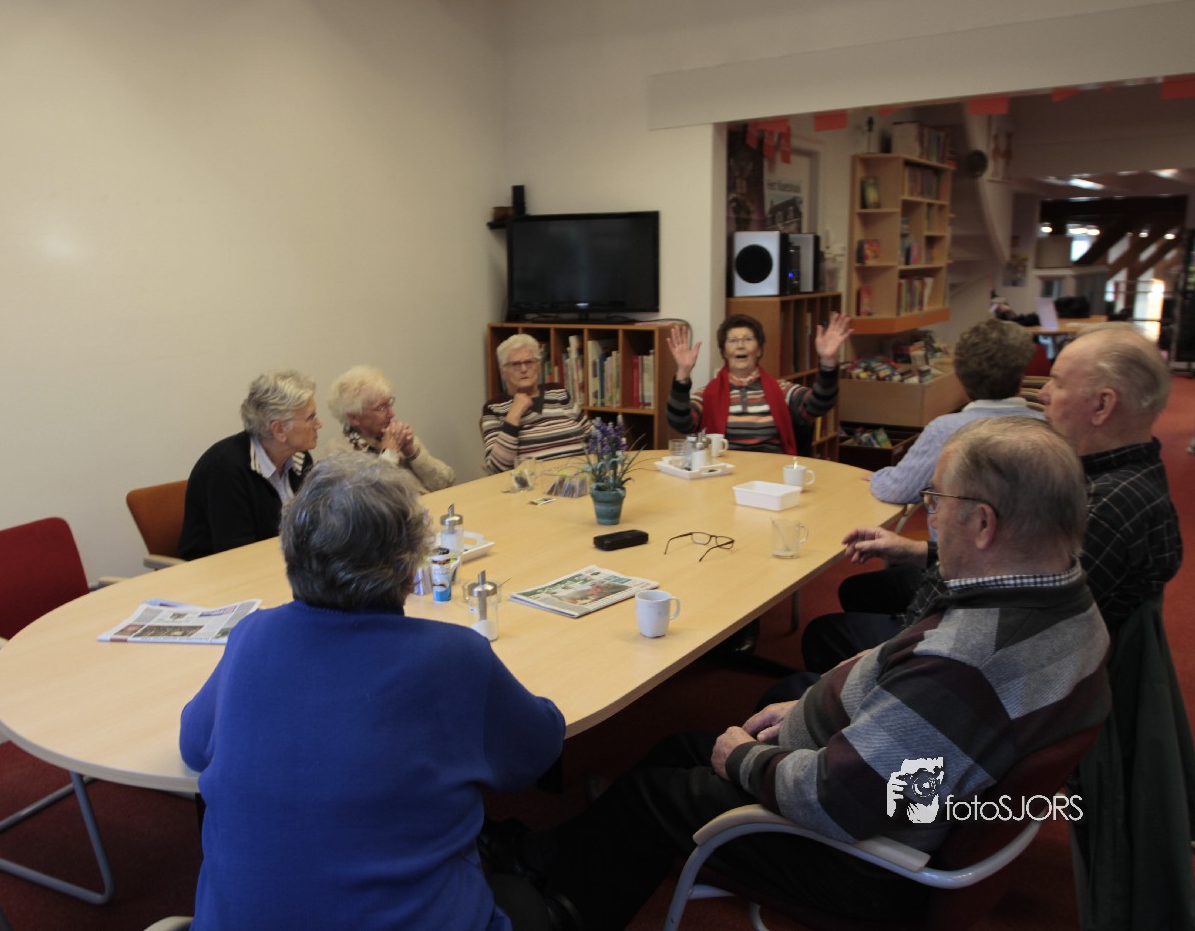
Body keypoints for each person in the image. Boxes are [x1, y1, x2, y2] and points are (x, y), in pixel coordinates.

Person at [502, 418, 1110, 929]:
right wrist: (815, 706)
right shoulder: (1069, 606)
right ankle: (552, 850)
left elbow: (834, 800)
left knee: (650, 797)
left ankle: (561, 911)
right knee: (680, 747)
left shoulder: (964, 665)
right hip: (891, 790)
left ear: (982, 524)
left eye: (937, 503)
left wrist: (743, 760)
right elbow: (914, 732)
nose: (931, 520)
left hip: (862, 857)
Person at [180, 454, 566, 930]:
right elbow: (535, 753)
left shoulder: (251, 636)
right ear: (408, 569)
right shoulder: (455, 655)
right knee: (539, 887)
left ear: (291, 553)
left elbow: (193, 745)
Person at [804, 324, 1182, 672]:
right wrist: (916, 551)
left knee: (823, 635)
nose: (1043, 393)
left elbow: (1008, 635)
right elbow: (1013, 569)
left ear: (1102, 405)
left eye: (1058, 382)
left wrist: (881, 660)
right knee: (859, 594)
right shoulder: (1110, 479)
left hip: (966, 664)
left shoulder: (1104, 508)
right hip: (970, 631)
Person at [836, 318, 1044, 615]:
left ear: (959, 374)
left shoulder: (946, 429)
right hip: (1026, 580)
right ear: (1022, 372)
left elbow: (897, 490)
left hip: (954, 576)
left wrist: (880, 475)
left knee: (856, 591)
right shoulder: (1047, 428)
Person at [177, 369, 321, 561]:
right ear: (279, 430)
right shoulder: (226, 469)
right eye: (311, 417)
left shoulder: (300, 458)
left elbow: (310, 529)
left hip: (282, 565)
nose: (318, 424)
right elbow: (237, 553)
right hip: (220, 571)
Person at [665, 312, 851, 455]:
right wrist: (683, 373)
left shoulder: (782, 390)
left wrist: (828, 362)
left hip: (771, 476)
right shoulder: (708, 393)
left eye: (748, 339)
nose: (740, 345)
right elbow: (681, 423)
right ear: (723, 352)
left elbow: (817, 405)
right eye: (732, 340)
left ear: (759, 350)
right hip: (723, 476)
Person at [324, 364, 455, 494]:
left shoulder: (396, 433)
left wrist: (412, 452)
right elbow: (373, 499)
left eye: (389, 404)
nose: (391, 414)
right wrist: (389, 454)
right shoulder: (339, 453)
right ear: (354, 418)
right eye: (381, 408)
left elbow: (445, 481)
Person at [482, 334, 592, 473]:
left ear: (538, 366)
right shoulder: (494, 408)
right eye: (515, 364)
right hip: (536, 483)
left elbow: (593, 437)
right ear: (503, 372)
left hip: (581, 477)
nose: (523, 369)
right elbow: (496, 468)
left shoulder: (559, 392)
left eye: (529, 362)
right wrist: (514, 414)